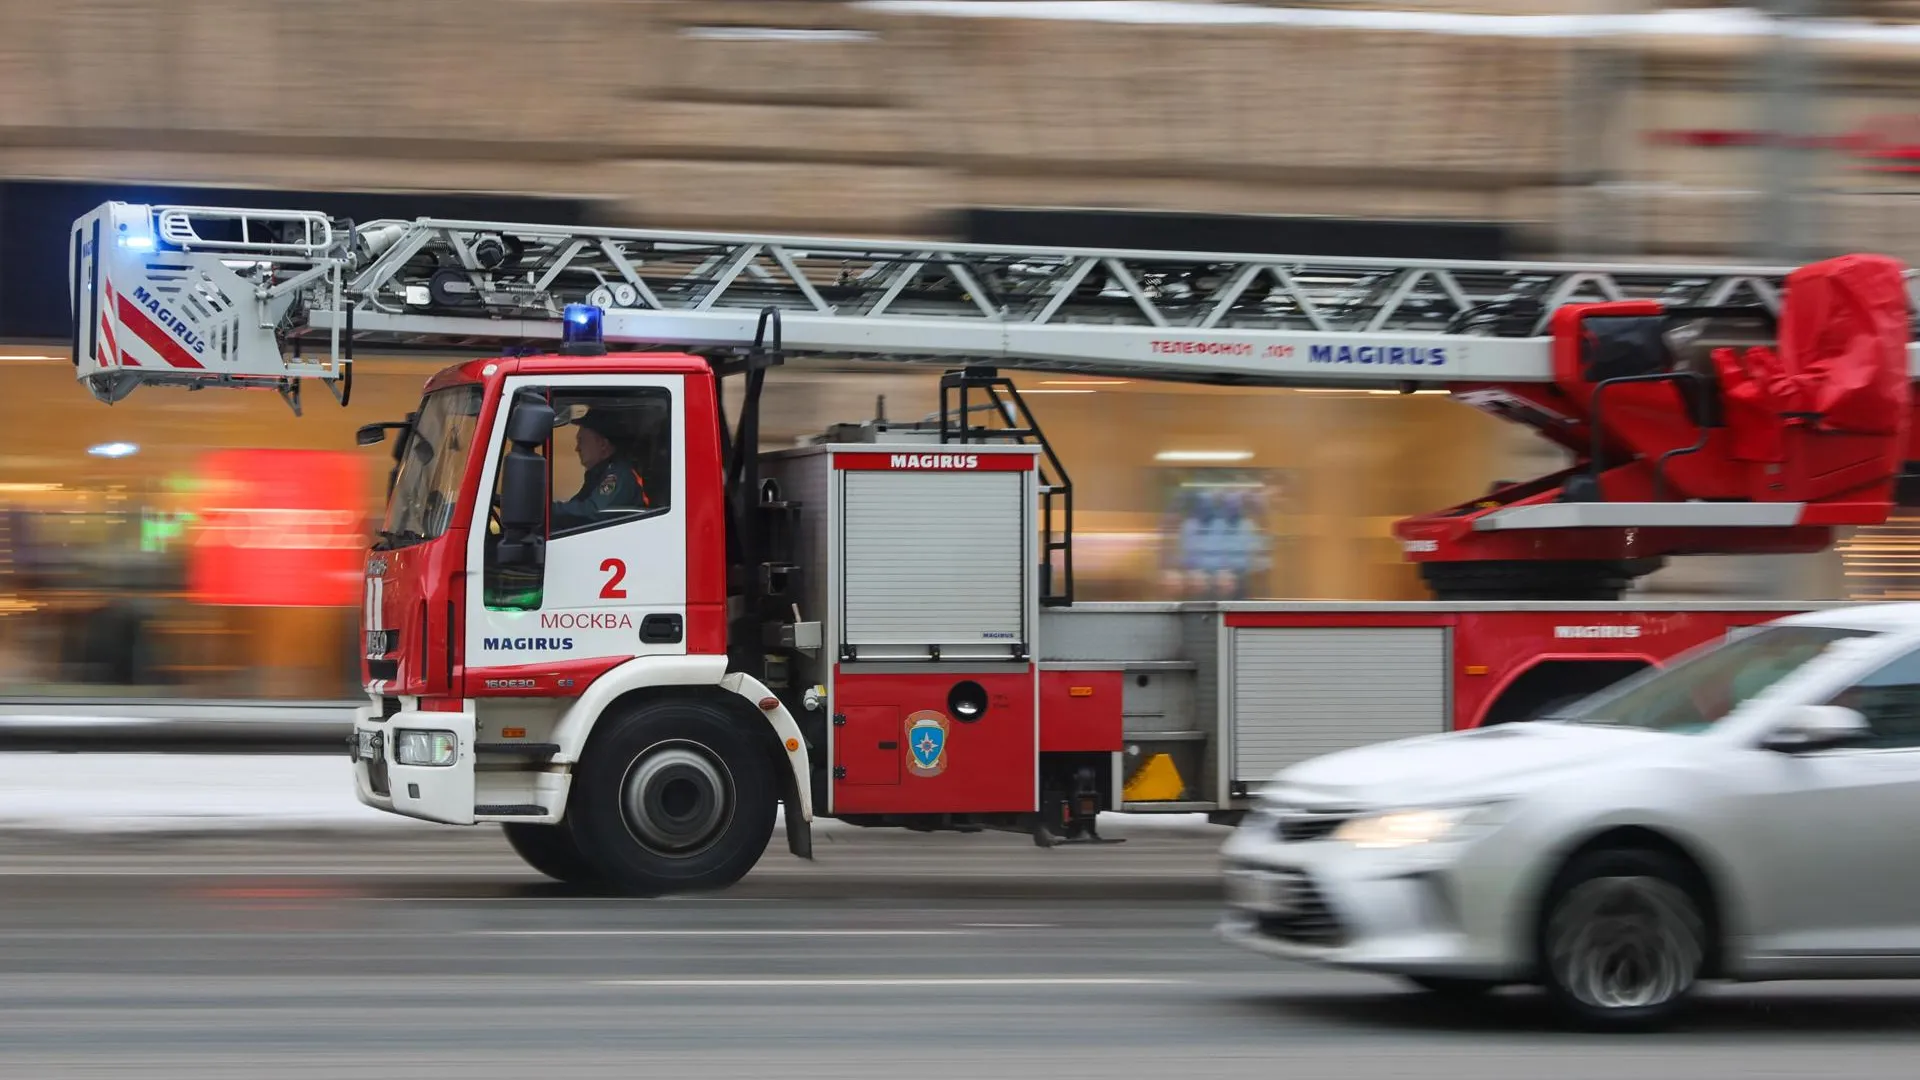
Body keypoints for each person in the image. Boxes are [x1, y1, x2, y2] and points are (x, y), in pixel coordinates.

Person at [550, 407, 649, 531]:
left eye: (581, 441)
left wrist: (548, 510)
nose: (577, 448)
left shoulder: (619, 474)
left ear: (603, 444)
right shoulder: (598, 474)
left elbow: (591, 512)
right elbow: (576, 509)